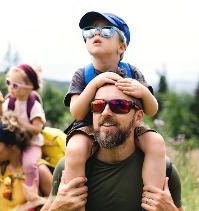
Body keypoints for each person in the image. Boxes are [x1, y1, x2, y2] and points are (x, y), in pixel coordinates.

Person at [62, 11, 166, 209]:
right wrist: (93, 85)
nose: (96, 34)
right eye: (90, 31)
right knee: (75, 149)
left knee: (156, 142)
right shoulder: (82, 74)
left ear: (122, 46)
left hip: (127, 126)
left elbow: (152, 110)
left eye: (107, 31)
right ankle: (74, 203)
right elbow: (76, 112)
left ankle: (152, 201)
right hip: (88, 127)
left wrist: (143, 92)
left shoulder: (132, 72)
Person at [43, 83, 183, 211]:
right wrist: (56, 209)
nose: (105, 113)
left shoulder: (164, 171)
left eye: (119, 105)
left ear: (138, 117)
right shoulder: (67, 168)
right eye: (98, 106)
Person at [0, 63, 46, 202]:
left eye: (15, 85)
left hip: (31, 143)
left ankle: (32, 195)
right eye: (8, 83)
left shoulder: (33, 105)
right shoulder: (10, 101)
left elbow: (37, 129)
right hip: (14, 142)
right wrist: (0, 103)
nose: (10, 88)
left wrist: (20, 122)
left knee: (30, 164)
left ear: (30, 87)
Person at [0, 112, 52, 211]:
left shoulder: (39, 170)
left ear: (12, 146)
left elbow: (59, 203)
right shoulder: (1, 169)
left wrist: (37, 200)